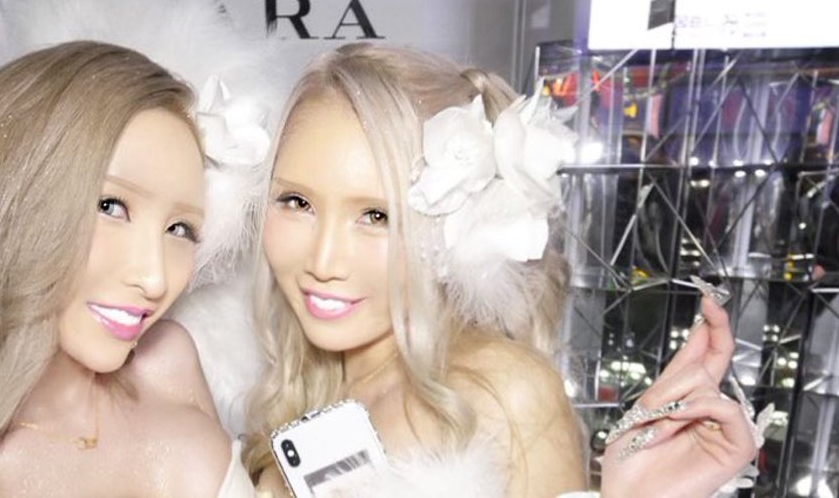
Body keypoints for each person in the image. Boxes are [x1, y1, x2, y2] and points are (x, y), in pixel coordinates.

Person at [242, 43, 758, 497]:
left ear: (462, 229)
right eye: (296, 202)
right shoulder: (290, 379)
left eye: (378, 216)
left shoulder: (501, 392)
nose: (324, 261)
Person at [0, 42, 256, 498]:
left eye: (180, 229)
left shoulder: (168, 362)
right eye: (111, 206)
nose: (155, 278)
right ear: (6, 205)